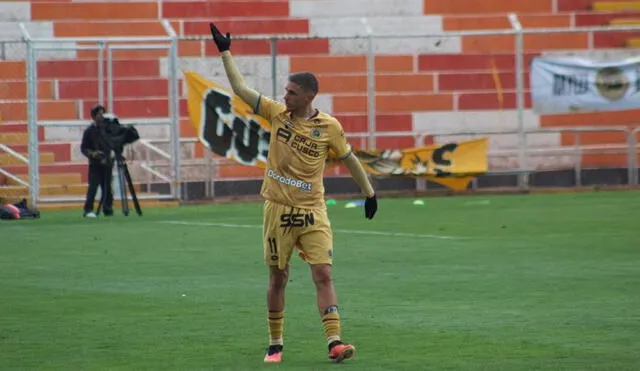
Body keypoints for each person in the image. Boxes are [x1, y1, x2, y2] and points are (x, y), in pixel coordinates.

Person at [209, 24, 379, 364]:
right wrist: (225, 52)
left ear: (308, 97)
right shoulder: (276, 114)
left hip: (313, 210)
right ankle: (275, 343)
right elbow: (241, 88)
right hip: (278, 210)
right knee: (278, 276)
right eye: (284, 91)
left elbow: (349, 158)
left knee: (324, 273)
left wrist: (369, 193)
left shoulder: (329, 127)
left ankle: (335, 342)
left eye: (290, 92)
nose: (284, 96)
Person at [80, 104, 114, 217]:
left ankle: (107, 208)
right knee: (93, 187)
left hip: (107, 162)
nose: (101, 116)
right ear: (94, 116)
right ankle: (88, 209)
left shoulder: (108, 129)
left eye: (102, 114)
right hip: (95, 163)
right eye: (99, 114)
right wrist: (92, 154)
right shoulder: (89, 131)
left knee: (107, 187)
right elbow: (83, 148)